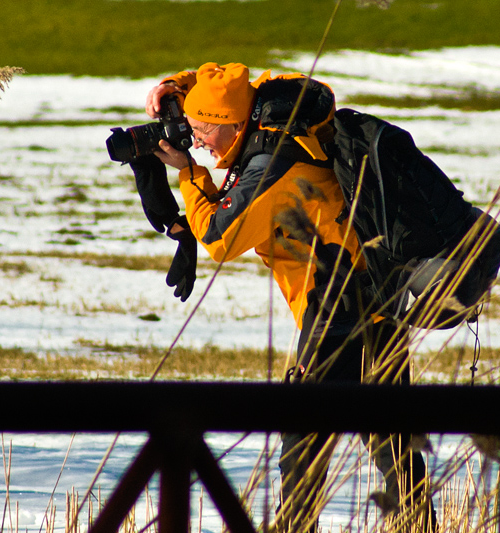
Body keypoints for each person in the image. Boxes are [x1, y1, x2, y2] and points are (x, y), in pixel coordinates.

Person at [139, 62, 437, 531]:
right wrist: (173, 86)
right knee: (392, 440)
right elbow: (220, 76)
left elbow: (220, 238)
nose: (195, 140)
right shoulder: (270, 109)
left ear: (234, 126)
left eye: (202, 131)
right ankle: (421, 526)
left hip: (336, 306)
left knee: (303, 443)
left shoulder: (273, 167)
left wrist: (191, 174)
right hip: (377, 292)